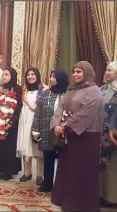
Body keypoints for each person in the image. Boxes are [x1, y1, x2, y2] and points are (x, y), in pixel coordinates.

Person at [50, 61, 102, 212]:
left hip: (86, 137)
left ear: (87, 73)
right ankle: (64, 198)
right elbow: (60, 108)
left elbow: (86, 113)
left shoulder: (94, 91)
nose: (75, 75)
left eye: (79, 72)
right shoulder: (70, 90)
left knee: (81, 170)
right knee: (67, 168)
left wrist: (65, 125)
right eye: (74, 72)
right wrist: (56, 124)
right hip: (69, 135)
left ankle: (80, 205)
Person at [31, 69, 69, 192]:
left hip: (63, 131)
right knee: (48, 158)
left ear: (61, 79)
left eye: (54, 77)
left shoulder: (68, 94)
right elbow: (38, 113)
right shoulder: (45, 94)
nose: (51, 79)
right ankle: (47, 184)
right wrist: (35, 130)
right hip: (47, 131)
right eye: (51, 76)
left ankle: (61, 185)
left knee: (63, 160)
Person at [0, 67, 22, 180]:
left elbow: (18, 108)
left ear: (12, 76)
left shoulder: (17, 89)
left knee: (9, 147)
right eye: (3, 75)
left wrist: (11, 122)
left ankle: (8, 171)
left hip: (11, 124)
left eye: (6, 74)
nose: (4, 77)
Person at [16, 68, 48, 185]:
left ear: (37, 75)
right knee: (26, 146)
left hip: (37, 121)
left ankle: (40, 175)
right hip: (25, 121)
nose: (30, 77)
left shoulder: (44, 89)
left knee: (38, 149)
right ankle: (27, 173)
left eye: (33, 74)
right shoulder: (25, 90)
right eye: (28, 75)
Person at [100, 61, 117, 207]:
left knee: (113, 167)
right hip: (100, 135)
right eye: (106, 70)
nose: (106, 73)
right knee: (102, 166)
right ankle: (102, 195)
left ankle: (112, 198)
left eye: (110, 70)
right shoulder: (103, 89)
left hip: (114, 135)